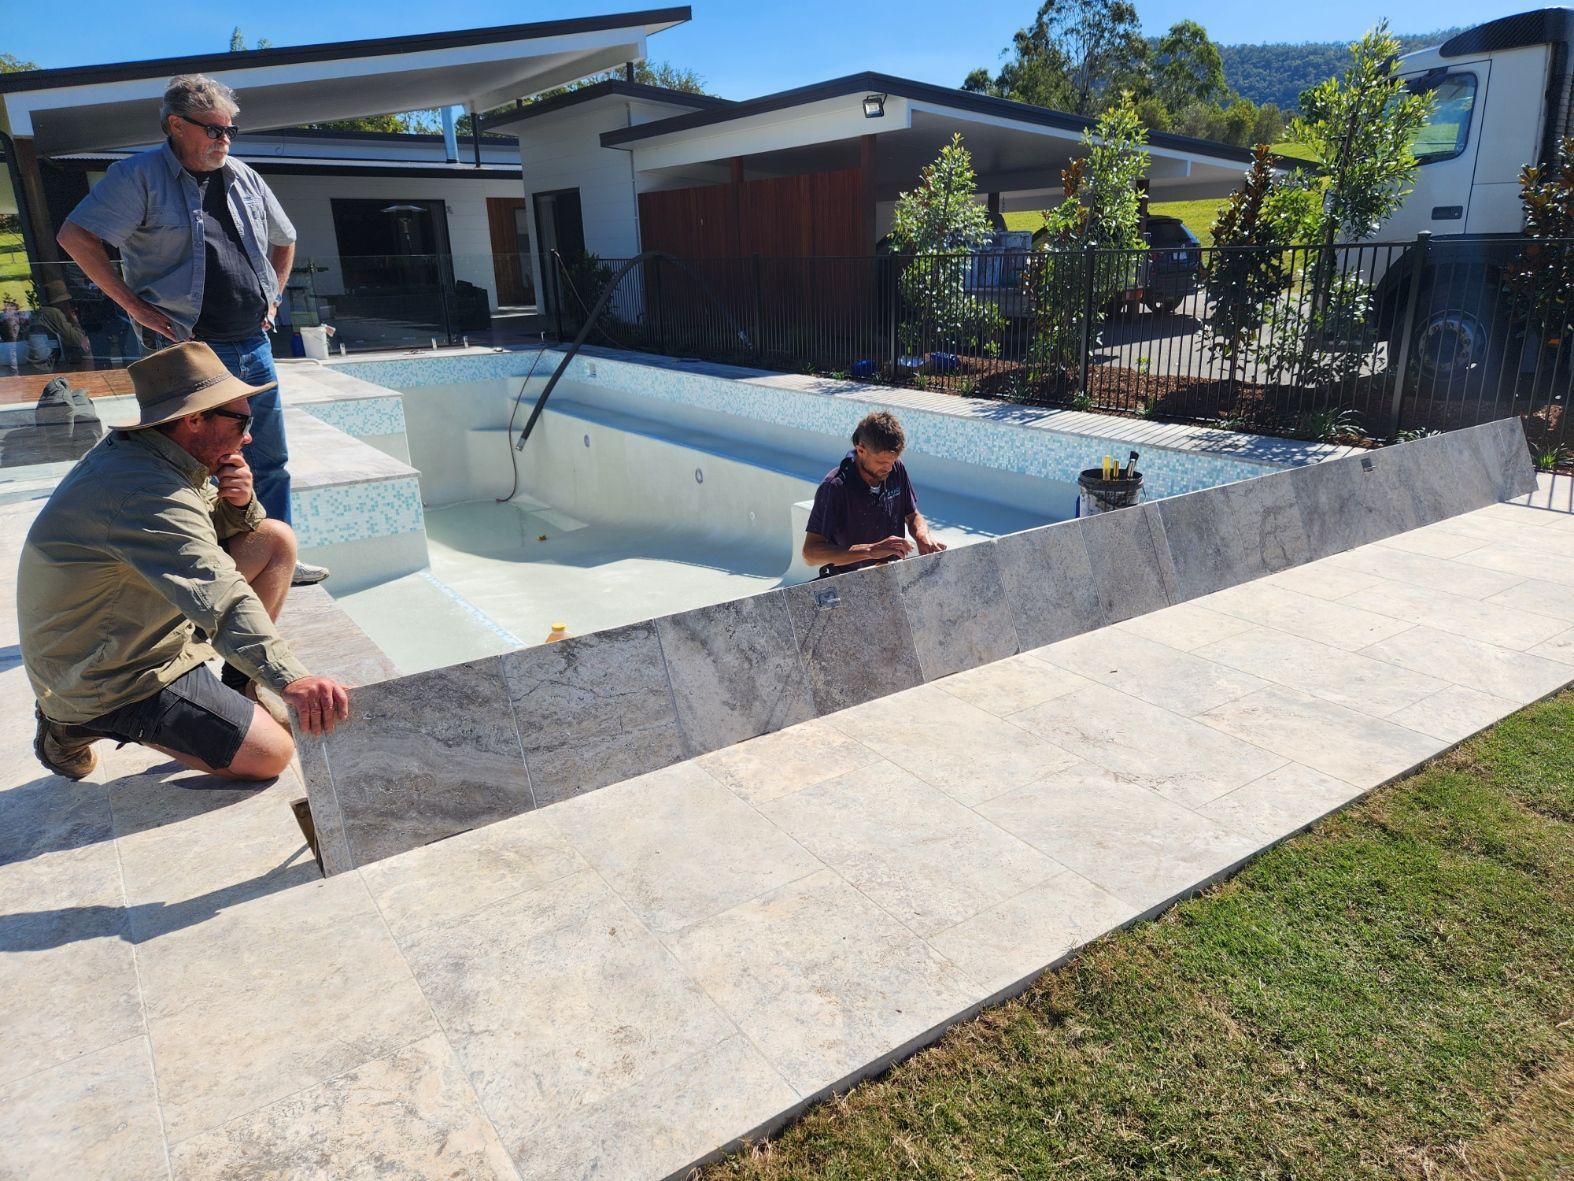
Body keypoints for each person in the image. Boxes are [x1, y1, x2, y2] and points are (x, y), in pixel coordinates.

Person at [19, 341, 350, 782]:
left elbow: (198, 534)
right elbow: (219, 593)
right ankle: (70, 724)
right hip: (112, 672)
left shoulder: (156, 453)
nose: (249, 435)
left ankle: (239, 686)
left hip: (136, 626)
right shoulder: (146, 491)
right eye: (242, 420)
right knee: (271, 756)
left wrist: (239, 502)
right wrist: (291, 680)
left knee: (272, 540)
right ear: (195, 420)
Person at [55, 72, 328, 586]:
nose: (224, 140)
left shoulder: (243, 175)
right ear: (176, 125)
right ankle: (206, 569)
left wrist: (273, 296)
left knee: (269, 458)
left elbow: (285, 239)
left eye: (230, 131)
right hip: (186, 349)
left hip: (252, 340)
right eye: (214, 130)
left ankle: (275, 554)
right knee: (190, 466)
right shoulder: (136, 177)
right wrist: (132, 306)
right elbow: (76, 236)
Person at [802, 410, 946, 578]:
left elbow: (913, 515)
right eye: (882, 462)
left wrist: (922, 535)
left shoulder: (896, 468)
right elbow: (810, 554)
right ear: (861, 450)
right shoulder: (834, 488)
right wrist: (870, 550)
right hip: (849, 580)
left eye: (893, 461)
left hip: (891, 577)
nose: (889, 468)